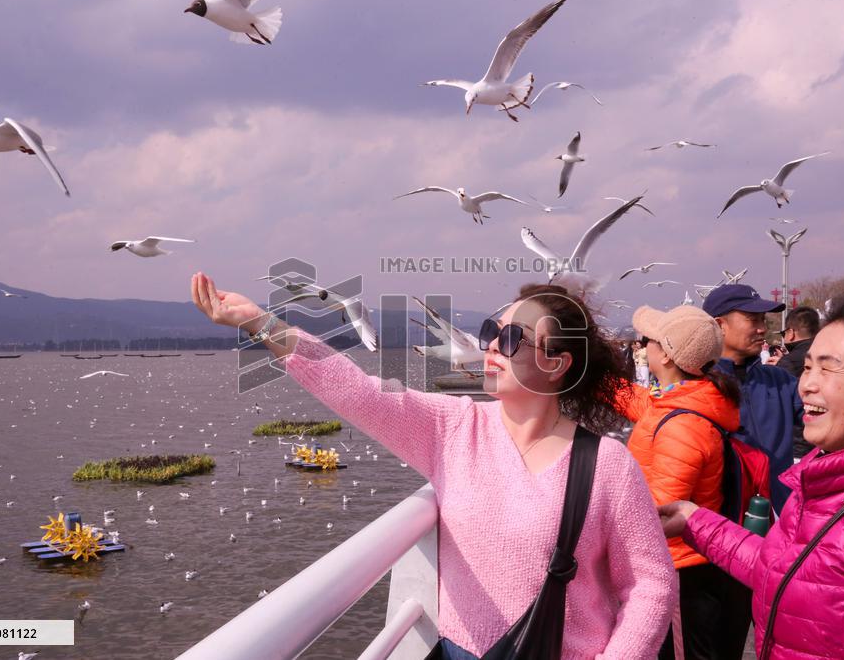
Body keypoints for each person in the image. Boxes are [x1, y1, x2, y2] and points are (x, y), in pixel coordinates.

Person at [191, 272, 676, 659]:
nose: (489, 346)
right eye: (490, 331)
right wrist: (261, 323)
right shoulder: (453, 427)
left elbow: (651, 582)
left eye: (511, 339)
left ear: (557, 363)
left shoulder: (607, 464)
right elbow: (357, 390)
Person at [659, 292, 844, 659]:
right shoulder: (820, 489)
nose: (806, 384)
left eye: (829, 368)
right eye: (808, 367)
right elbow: (784, 572)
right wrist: (694, 519)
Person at [617, 305, 752, 659]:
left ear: (665, 354)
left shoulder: (683, 425)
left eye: (649, 340)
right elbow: (630, 397)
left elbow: (662, 509)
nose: (643, 346)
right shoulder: (676, 402)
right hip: (676, 565)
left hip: (681, 572)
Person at [702, 284, 802, 514]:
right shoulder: (699, 388)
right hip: (720, 524)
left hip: (780, 518)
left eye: (763, 321)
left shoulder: (781, 382)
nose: (762, 329)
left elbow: (829, 423)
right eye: (752, 320)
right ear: (720, 326)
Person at [771, 305, 822, 462]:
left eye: (783, 333)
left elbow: (778, 406)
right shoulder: (829, 354)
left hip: (799, 446)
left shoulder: (788, 363)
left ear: (791, 333)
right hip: (825, 441)